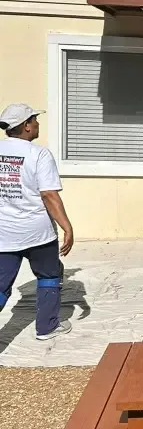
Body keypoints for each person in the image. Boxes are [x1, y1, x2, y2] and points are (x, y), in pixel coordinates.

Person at [0, 103, 74, 340]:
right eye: (34, 119)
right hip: (38, 233)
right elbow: (48, 194)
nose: (37, 123)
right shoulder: (39, 154)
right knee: (49, 276)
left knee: (1, 285)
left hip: (5, 233)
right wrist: (67, 226)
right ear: (26, 126)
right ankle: (47, 327)